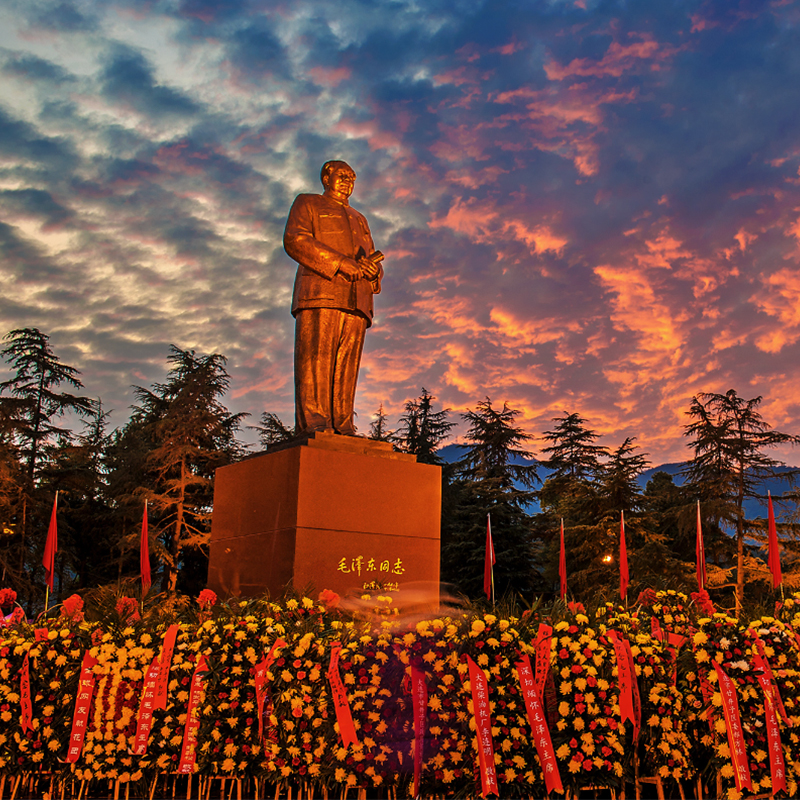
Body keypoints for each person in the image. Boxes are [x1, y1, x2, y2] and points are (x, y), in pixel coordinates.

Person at [283, 160, 384, 436]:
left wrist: (374, 272)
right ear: (326, 177)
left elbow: (369, 255)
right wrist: (340, 263)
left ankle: (343, 423)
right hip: (321, 292)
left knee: (347, 366)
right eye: (342, 175)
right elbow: (295, 239)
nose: (348, 180)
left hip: (357, 300)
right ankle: (315, 423)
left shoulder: (360, 219)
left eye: (352, 177)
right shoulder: (308, 203)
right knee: (316, 359)